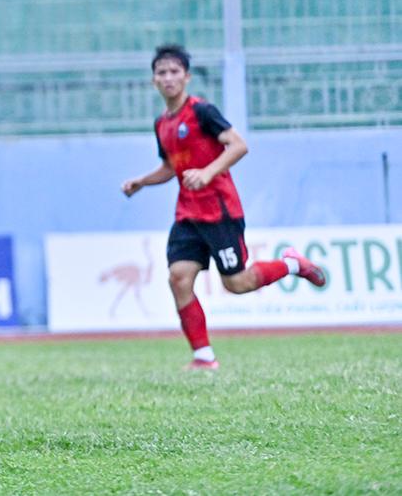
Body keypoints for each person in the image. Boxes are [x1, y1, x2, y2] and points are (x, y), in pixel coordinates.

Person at [122, 44, 326, 370]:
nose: (168, 77)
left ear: (187, 77)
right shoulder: (162, 124)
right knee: (178, 277)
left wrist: (207, 172)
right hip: (187, 214)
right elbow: (169, 167)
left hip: (219, 211)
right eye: (162, 72)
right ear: (154, 81)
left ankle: (292, 264)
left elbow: (238, 145)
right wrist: (141, 182)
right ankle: (203, 356)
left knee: (236, 283)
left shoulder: (202, 111)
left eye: (175, 71)